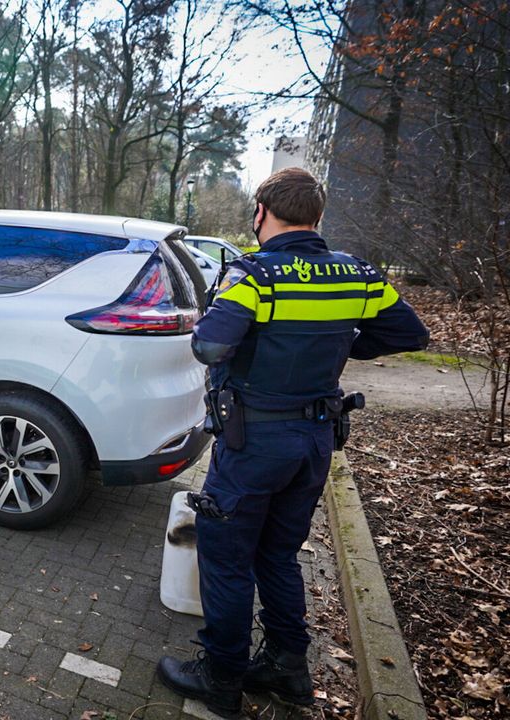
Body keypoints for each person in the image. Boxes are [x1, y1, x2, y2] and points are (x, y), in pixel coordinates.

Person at [156, 168, 429, 717]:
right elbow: (410, 333)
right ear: (317, 217)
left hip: (254, 440)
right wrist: (338, 341)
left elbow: (209, 348)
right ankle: (287, 669)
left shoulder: (255, 276)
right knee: (278, 556)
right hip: (315, 441)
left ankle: (222, 678)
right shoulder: (357, 275)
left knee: (228, 559)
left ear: (262, 213)